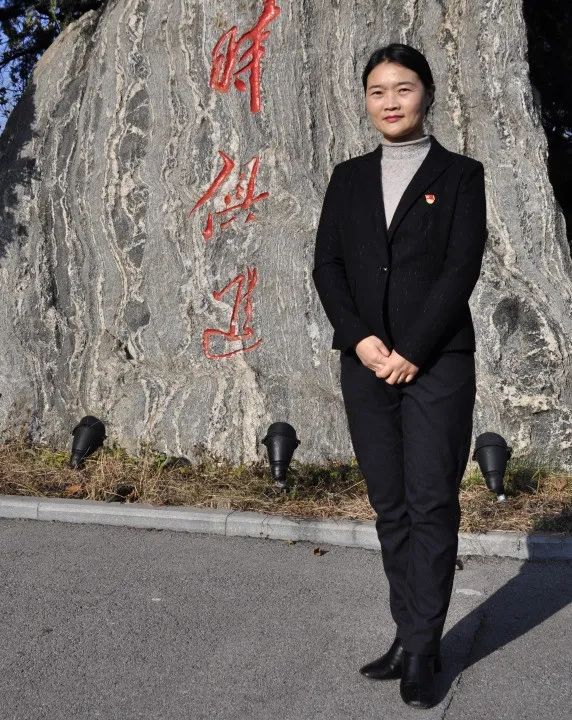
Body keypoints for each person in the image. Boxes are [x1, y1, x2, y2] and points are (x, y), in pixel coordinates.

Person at [312, 43, 488, 709]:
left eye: (404, 88)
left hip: (437, 361)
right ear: (366, 100)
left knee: (431, 502)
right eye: (378, 90)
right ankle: (410, 632)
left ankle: (420, 650)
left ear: (427, 94)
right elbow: (327, 266)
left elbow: (462, 266)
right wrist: (360, 340)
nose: (391, 101)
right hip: (365, 363)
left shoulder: (461, 175)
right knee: (390, 504)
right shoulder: (348, 178)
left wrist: (411, 348)